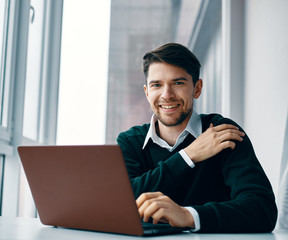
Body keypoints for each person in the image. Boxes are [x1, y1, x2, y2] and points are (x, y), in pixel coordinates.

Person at [116, 43, 277, 233]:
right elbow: (121, 202)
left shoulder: (221, 133)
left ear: (197, 88)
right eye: (157, 85)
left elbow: (262, 210)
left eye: (178, 83)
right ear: (147, 92)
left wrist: (188, 216)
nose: (166, 95)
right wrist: (188, 156)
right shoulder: (129, 142)